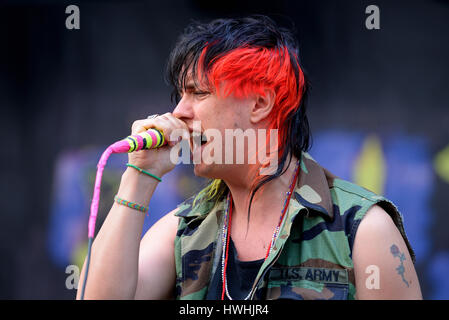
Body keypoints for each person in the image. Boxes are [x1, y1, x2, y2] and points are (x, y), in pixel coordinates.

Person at [77, 15, 422, 300]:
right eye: (180, 95)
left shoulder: (362, 229)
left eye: (198, 92)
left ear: (260, 104)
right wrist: (139, 177)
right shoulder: (183, 231)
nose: (178, 112)